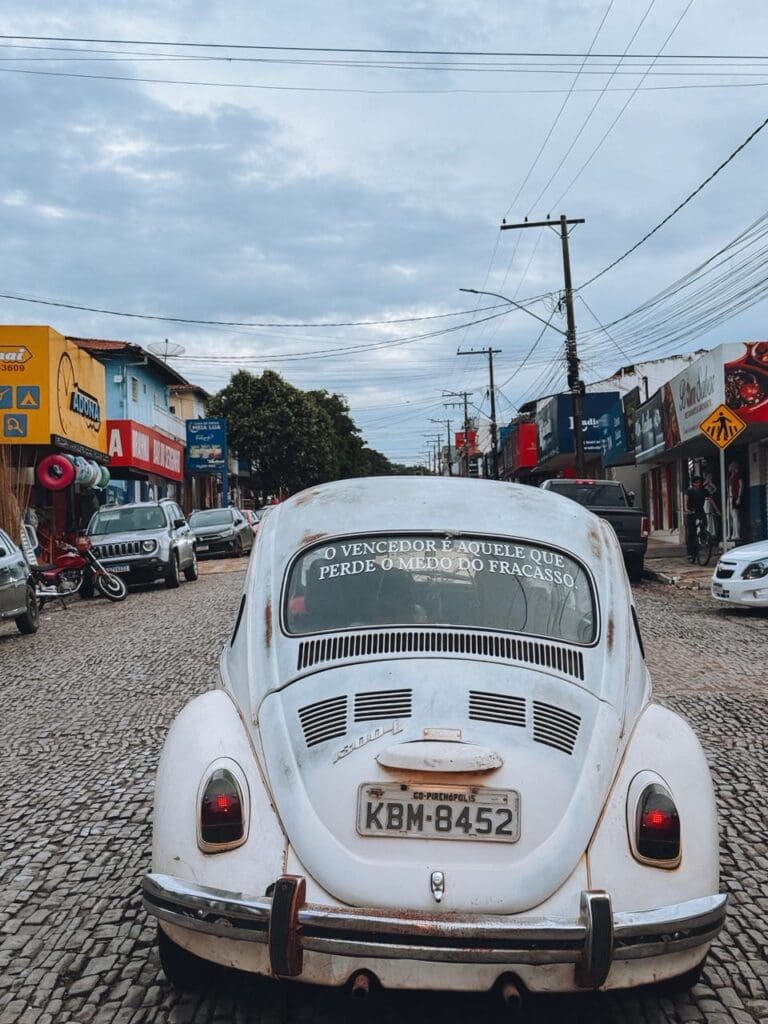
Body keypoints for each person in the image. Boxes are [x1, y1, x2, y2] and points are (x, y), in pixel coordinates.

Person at [684, 476, 705, 562]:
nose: (698, 484)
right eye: (696, 482)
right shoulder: (689, 491)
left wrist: (717, 511)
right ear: (693, 483)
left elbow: (710, 498)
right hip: (691, 513)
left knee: (704, 526)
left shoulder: (702, 491)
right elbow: (685, 501)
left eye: (699, 482)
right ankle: (690, 553)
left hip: (700, 512)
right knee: (691, 533)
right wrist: (686, 509)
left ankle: (703, 540)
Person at [727, 462, 744, 542]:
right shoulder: (731, 477)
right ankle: (733, 534)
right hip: (731, 497)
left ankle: (737, 534)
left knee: (735, 516)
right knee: (732, 516)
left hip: (735, 497)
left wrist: (739, 497)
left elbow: (741, 486)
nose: (729, 468)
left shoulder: (738, 475)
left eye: (730, 466)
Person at [702, 471, 721, 540]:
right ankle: (709, 536)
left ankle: (708, 536)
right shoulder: (706, 486)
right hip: (707, 504)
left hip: (706, 504)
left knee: (709, 518)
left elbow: (715, 488)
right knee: (709, 519)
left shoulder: (706, 485)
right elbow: (715, 489)